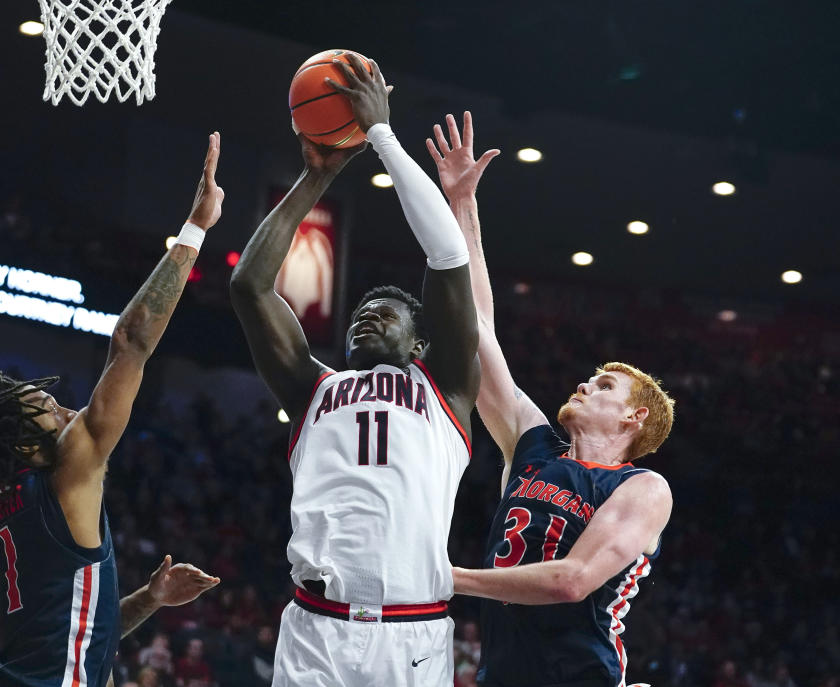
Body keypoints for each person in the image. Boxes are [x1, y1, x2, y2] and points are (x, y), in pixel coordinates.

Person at [0, 134, 226, 687]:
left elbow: (71, 635)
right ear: (29, 448)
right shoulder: (69, 471)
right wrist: (196, 227)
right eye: (50, 411)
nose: (66, 408)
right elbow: (129, 338)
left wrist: (150, 599)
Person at [230, 53, 480, 686]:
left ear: (422, 344)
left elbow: (448, 252)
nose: (368, 315)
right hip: (316, 629)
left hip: (411, 633)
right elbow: (250, 286)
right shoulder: (314, 387)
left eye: (389, 312)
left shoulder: (446, 386)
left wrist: (381, 135)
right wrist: (315, 177)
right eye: (362, 309)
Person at [426, 112, 675, 687]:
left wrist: (447, 576)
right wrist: (463, 206)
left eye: (605, 386)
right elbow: (480, 328)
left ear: (634, 417)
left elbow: (571, 580)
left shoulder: (642, 488)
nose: (585, 384)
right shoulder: (533, 444)